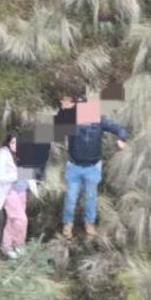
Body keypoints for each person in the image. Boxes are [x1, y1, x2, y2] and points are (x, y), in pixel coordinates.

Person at [60, 95, 129, 239]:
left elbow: (119, 128)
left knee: (91, 197)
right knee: (71, 197)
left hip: (92, 167)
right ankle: (68, 225)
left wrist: (121, 139)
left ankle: (89, 224)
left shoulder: (99, 120)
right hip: (74, 167)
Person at [1, 179, 31, 259]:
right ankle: (19, 243)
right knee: (21, 220)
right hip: (9, 190)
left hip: (22, 189)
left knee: (12, 221)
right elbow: (1, 176)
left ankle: (8, 246)